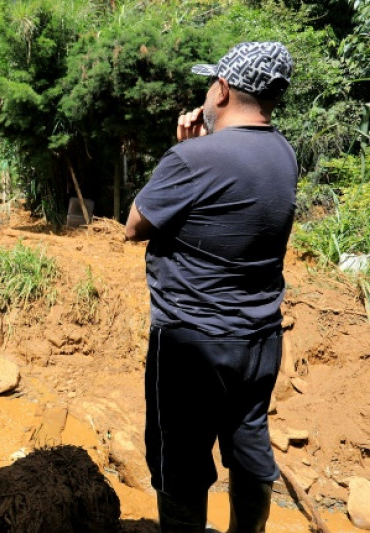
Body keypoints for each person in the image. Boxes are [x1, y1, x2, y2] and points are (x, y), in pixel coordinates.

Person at [124, 42, 297, 533]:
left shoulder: (192, 159)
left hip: (190, 340)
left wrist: (181, 150)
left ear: (222, 89)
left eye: (209, 83)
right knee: (249, 442)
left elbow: (134, 225)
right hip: (261, 338)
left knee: (179, 461)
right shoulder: (285, 155)